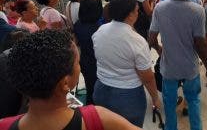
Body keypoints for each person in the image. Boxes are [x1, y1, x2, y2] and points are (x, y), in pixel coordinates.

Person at [0, 30, 141, 130]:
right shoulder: (98, 119)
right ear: (65, 83)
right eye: (77, 62)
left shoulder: (3, 125)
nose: (79, 67)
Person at [149, 0, 207, 130]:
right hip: (190, 67)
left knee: (169, 104)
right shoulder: (197, 11)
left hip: (169, 67)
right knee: (193, 101)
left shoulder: (160, 8)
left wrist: (159, 49)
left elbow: (151, 37)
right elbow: (200, 44)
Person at [92, 0, 160, 127]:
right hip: (127, 96)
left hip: (101, 90)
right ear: (129, 14)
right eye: (136, 10)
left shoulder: (100, 30)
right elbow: (147, 77)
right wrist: (155, 98)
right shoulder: (137, 41)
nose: (138, 13)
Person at [73, 0, 103, 105]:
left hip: (85, 60)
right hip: (97, 61)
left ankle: (89, 110)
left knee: (90, 87)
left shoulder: (78, 24)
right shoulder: (98, 26)